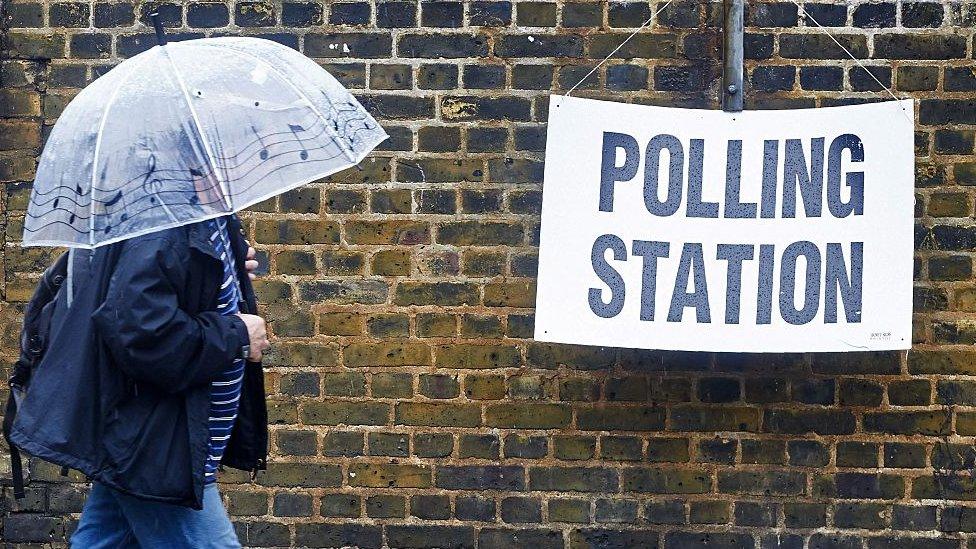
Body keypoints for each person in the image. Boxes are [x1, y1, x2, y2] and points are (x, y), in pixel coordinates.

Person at [21, 212, 269, 548]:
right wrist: (237, 334)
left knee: (104, 539)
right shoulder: (161, 224)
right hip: (156, 445)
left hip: (150, 438)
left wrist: (222, 269)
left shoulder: (207, 218)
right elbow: (141, 331)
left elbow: (173, 294)